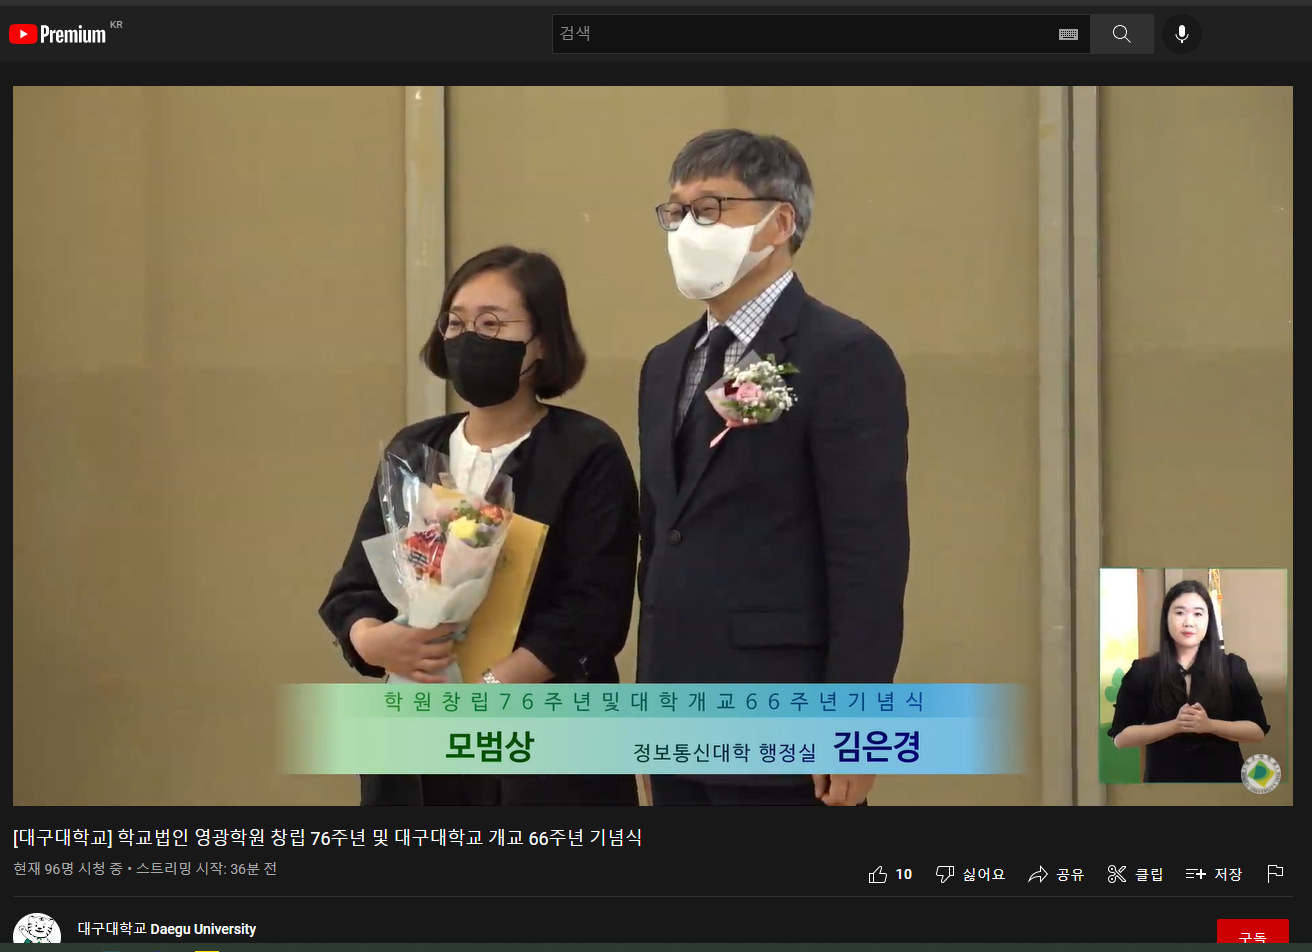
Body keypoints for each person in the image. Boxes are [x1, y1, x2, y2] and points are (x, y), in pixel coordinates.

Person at [636, 130, 910, 806]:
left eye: (710, 208)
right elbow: (663, 533)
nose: (687, 228)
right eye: (676, 212)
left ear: (779, 222)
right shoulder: (664, 363)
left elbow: (868, 556)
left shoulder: (841, 353)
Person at [320, 245, 640, 807]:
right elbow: (354, 590)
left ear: (542, 342)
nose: (469, 339)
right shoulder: (414, 449)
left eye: (492, 324)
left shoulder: (586, 451)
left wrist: (488, 691)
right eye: (456, 323)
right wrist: (376, 642)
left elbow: (593, 611)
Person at [1108, 579, 1271, 783]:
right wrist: (1175, 726)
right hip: (1164, 784)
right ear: (1166, 618)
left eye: (1198, 614)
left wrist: (1210, 725)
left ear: (1209, 620)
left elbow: (1257, 731)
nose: (1189, 622)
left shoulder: (1232, 666)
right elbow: (1121, 738)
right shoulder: (1143, 671)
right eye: (1180, 612)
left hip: (1224, 783)